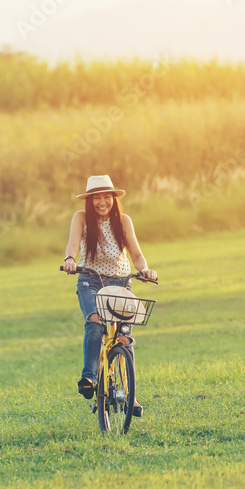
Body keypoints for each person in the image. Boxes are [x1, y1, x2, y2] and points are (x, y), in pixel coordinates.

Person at [62, 175, 157, 416]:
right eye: (97, 198)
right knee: (94, 321)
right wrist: (70, 259)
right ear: (89, 200)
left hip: (121, 283)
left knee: (124, 336)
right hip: (90, 281)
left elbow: (136, 254)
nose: (102, 202)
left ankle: (130, 394)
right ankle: (89, 378)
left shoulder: (123, 221)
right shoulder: (81, 218)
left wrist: (145, 269)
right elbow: (72, 244)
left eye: (107, 197)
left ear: (114, 199)